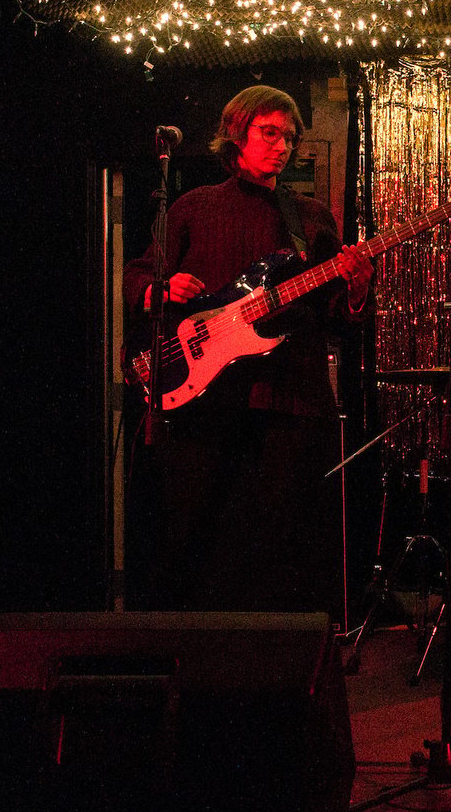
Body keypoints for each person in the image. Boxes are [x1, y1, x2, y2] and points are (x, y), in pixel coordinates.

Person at [124, 84, 374, 612]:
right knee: (198, 534)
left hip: (290, 401)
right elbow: (139, 273)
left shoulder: (311, 220)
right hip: (204, 403)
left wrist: (355, 290)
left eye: (289, 136)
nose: (281, 145)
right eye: (269, 132)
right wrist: (160, 289)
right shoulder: (193, 206)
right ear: (236, 134)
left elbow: (335, 319)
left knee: (282, 542)